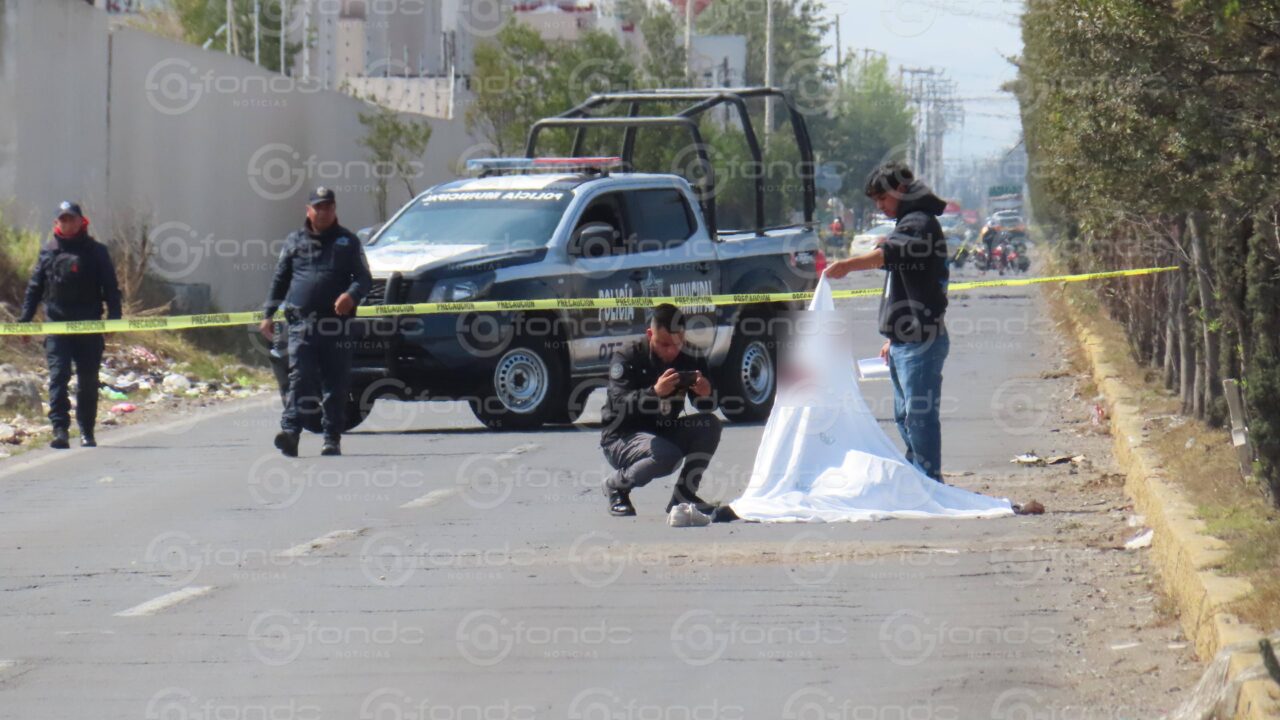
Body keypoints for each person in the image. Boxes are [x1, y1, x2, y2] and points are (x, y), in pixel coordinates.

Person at [822, 162, 950, 481]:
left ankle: (929, 481)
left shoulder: (919, 223)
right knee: (905, 416)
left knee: (918, 418)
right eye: (875, 200)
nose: (880, 205)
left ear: (901, 189)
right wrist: (893, 337)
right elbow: (900, 281)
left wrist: (848, 265)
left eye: (883, 198)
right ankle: (918, 476)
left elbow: (888, 255)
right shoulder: (907, 222)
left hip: (921, 341)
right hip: (904, 340)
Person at [259, 187, 371, 458]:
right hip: (302, 325)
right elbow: (280, 279)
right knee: (301, 377)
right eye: (318, 207)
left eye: (328, 207)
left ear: (335, 209)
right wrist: (268, 314)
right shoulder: (294, 241)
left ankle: (331, 438)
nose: (323, 212)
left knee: (335, 383)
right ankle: (290, 433)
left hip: (337, 325)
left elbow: (364, 278)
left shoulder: (348, 242)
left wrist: (351, 295)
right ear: (308, 210)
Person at [600, 304, 722, 517]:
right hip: (622, 436)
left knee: (710, 425)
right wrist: (654, 393)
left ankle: (684, 496)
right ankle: (617, 486)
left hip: (663, 429)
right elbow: (619, 405)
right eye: (664, 344)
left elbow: (708, 405)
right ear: (650, 334)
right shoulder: (628, 356)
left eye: (677, 344)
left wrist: (706, 393)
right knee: (668, 455)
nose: (671, 351)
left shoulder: (690, 355)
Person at [19, 201, 122, 450]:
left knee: (88, 380)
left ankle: (87, 431)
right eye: (63, 219)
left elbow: (111, 287)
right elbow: (35, 288)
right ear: (57, 223)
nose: (68, 223)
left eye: (71, 219)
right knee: (58, 376)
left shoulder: (97, 252)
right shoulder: (48, 251)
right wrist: (24, 322)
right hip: (57, 326)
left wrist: (114, 319)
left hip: (89, 326)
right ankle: (60, 430)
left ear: (81, 221)